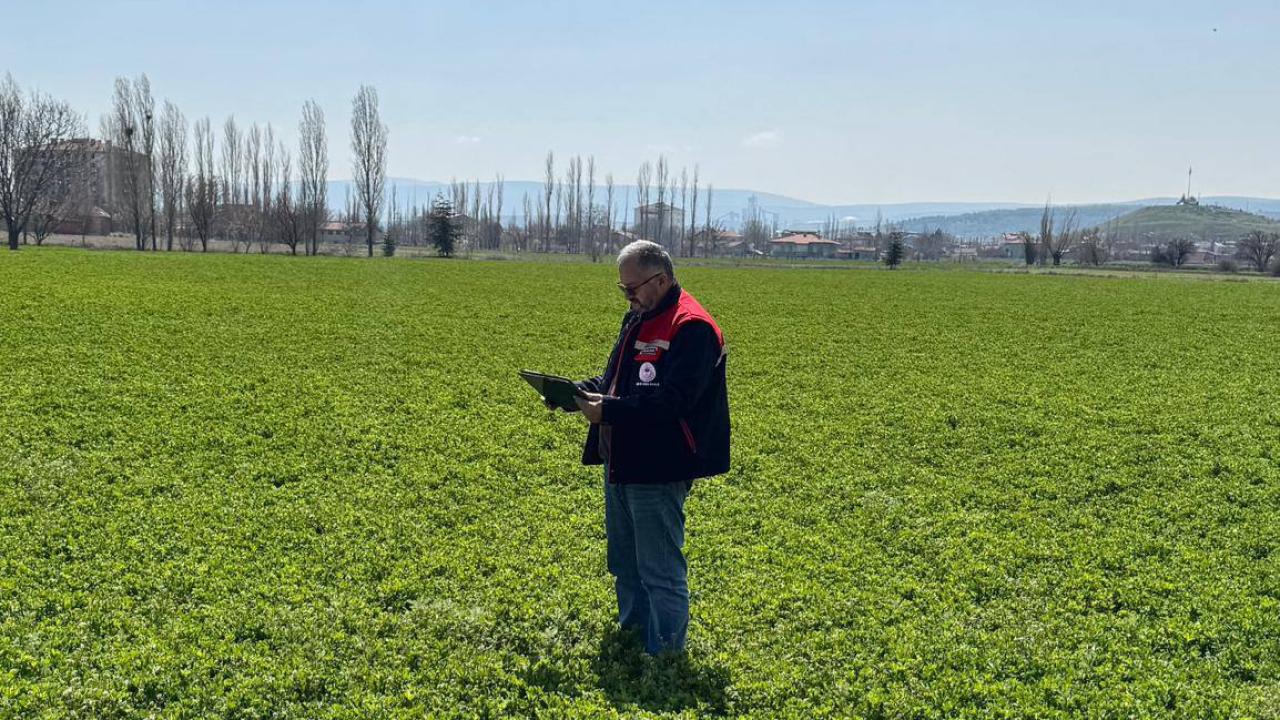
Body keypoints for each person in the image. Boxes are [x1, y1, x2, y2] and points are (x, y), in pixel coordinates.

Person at [568, 240, 730, 656]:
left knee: (659, 568)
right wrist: (581, 393)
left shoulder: (691, 327)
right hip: (620, 459)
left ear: (661, 280)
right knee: (625, 563)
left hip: (659, 465)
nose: (628, 296)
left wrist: (610, 412)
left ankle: (664, 655)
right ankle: (633, 637)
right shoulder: (638, 317)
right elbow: (617, 381)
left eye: (632, 288)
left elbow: (675, 401)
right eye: (622, 289)